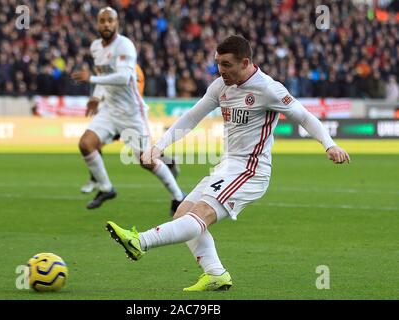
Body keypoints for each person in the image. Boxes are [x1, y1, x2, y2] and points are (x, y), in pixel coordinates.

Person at [105, 35, 351, 291]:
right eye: (217, 63)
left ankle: (139, 241)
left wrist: (329, 144)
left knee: (199, 216)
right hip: (228, 166)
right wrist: (158, 147)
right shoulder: (220, 86)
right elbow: (191, 117)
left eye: (226, 64)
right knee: (183, 214)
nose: (220, 70)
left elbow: (304, 117)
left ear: (245, 62)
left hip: (251, 171)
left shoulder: (268, 89)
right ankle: (215, 274)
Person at [72, 7, 185, 214]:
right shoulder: (95, 47)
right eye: (102, 21)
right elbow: (104, 76)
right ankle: (106, 188)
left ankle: (178, 196)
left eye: (110, 21)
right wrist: (96, 97)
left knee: (146, 161)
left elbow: (123, 78)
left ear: (117, 23)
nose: (106, 24)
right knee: (86, 144)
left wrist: (91, 79)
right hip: (108, 110)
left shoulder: (125, 46)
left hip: (131, 112)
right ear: (97, 24)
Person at [80, 63, 180, 193]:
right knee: (94, 144)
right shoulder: (112, 65)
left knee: (144, 156)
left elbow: (134, 92)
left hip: (129, 116)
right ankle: (95, 179)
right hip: (112, 115)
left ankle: (169, 163)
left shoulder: (132, 69)